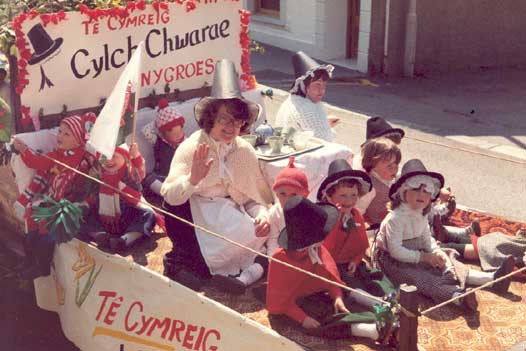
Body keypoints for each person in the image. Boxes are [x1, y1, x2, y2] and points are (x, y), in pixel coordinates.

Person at [161, 59, 273, 293]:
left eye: (238, 120)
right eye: (225, 119)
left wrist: (261, 214)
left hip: (230, 214)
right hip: (196, 216)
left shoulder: (243, 150)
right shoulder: (192, 147)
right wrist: (192, 179)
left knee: (264, 230)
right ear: (211, 118)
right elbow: (169, 196)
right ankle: (182, 264)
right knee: (198, 246)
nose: (232, 127)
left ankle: (243, 275)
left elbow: (254, 197)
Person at [375, 159, 515, 311]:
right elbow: (396, 251)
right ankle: (457, 298)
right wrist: (423, 258)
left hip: (416, 251)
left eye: (426, 191)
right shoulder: (396, 218)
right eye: (416, 189)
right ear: (403, 192)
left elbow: (427, 240)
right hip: (394, 260)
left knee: (448, 260)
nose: (421, 194)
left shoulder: (420, 214)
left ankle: (492, 279)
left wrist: (436, 253)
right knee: (420, 278)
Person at [266, 196, 397, 345]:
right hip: (297, 302)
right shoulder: (281, 259)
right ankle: (372, 330)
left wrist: (336, 295)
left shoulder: (315, 248)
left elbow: (329, 273)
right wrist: (302, 318)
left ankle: (381, 305)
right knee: (321, 317)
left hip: (320, 291)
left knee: (345, 298)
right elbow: (278, 300)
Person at [12, 113, 98, 279]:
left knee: (46, 236)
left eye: (67, 134)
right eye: (60, 131)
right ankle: (30, 261)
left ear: (79, 140)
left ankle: (42, 267)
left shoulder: (85, 159)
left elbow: (93, 184)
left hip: (71, 206)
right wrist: (24, 150)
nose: (59, 136)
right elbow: (36, 162)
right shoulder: (56, 155)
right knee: (31, 229)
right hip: (53, 202)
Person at [317, 159, 397, 306]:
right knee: (351, 285)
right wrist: (338, 219)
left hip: (353, 263)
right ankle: (378, 304)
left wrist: (355, 259)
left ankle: (392, 296)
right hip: (334, 267)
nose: (349, 200)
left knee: (374, 277)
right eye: (343, 196)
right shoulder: (325, 219)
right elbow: (325, 252)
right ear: (329, 196)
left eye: (353, 195)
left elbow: (362, 244)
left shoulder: (356, 215)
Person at [83, 145, 157, 252]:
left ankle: (125, 240)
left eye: (114, 156)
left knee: (149, 215)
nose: (109, 160)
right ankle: (99, 235)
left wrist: (136, 157)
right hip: (102, 219)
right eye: (105, 156)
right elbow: (91, 194)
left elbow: (140, 174)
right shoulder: (98, 173)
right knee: (82, 212)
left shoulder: (129, 173)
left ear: (125, 159)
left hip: (127, 218)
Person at [274, 51, 338, 142]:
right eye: (317, 85)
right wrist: (328, 128)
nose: (322, 90)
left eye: (324, 85)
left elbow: (306, 126)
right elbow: (325, 139)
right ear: (304, 86)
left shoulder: (292, 100)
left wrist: (325, 123)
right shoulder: (308, 107)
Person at [141, 99, 186, 203]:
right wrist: (160, 121)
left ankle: (172, 195)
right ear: (164, 133)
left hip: (178, 177)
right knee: (149, 179)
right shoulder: (157, 140)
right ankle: (167, 195)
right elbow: (145, 130)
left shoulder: (186, 142)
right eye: (174, 134)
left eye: (180, 132)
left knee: (184, 184)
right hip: (161, 176)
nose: (178, 136)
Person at [266, 156, 309, 256]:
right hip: (283, 254)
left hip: (305, 254)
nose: (287, 200)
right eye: (283, 194)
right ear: (276, 194)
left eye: (294, 195)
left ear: (305, 196)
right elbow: (273, 239)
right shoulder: (274, 213)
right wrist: (273, 259)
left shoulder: (309, 212)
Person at [356, 138, 401, 228]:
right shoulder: (370, 187)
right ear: (373, 165)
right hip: (377, 225)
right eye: (389, 166)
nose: (394, 168)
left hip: (394, 218)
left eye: (396, 163)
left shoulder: (392, 177)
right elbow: (358, 210)